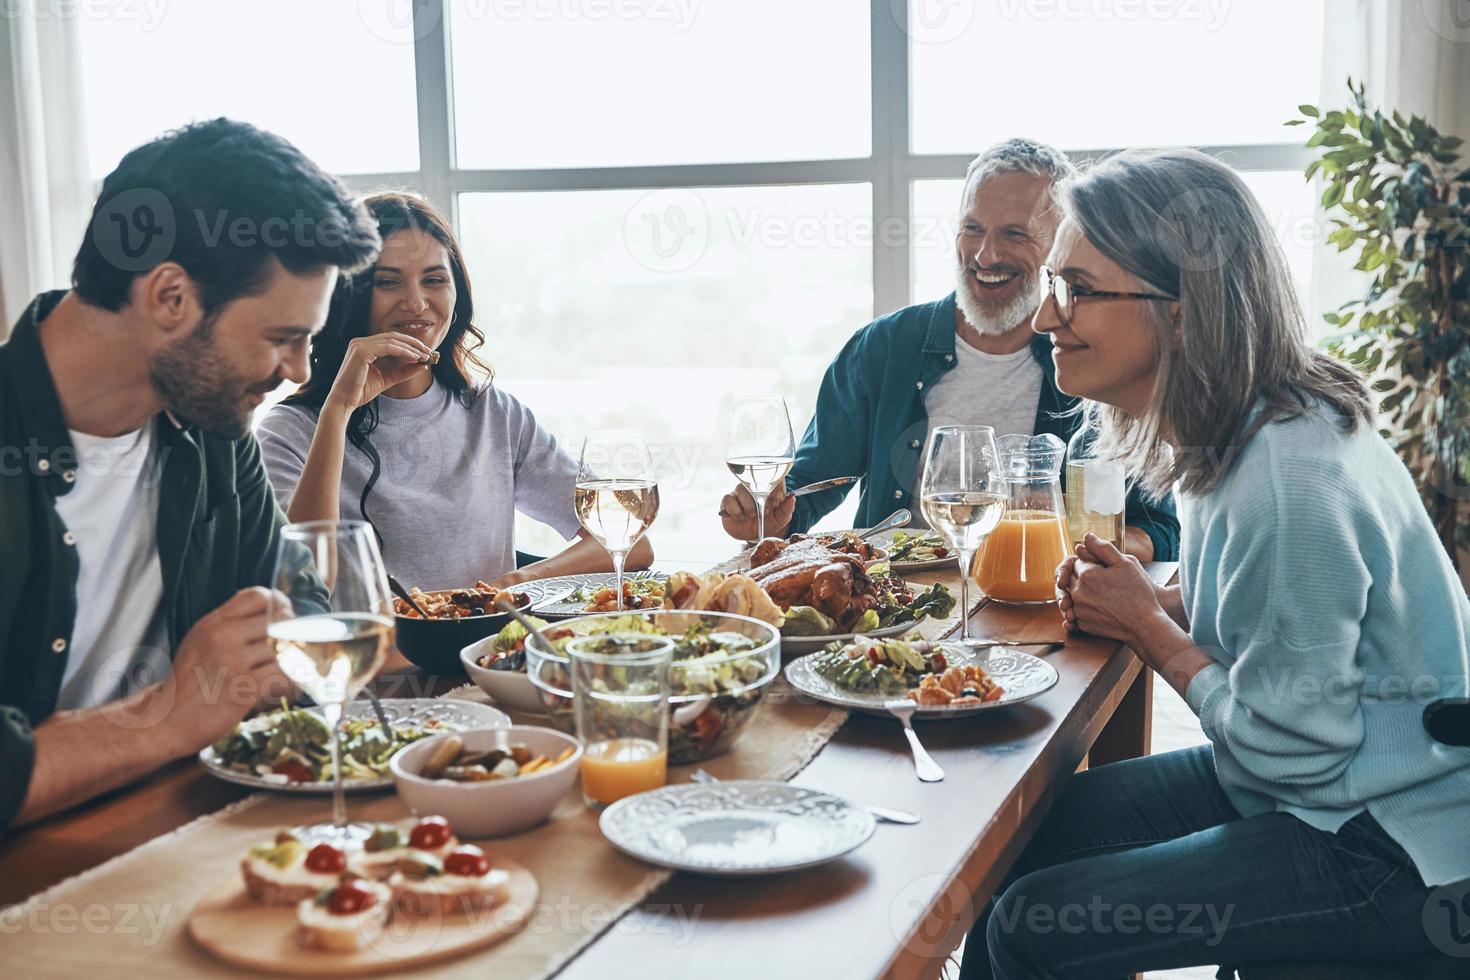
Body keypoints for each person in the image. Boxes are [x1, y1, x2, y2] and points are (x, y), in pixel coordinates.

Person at [960, 148, 1470, 978]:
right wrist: (1160, 597)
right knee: (1018, 837)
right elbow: (1268, 615)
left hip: (1390, 840)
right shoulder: (1242, 425)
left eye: (1078, 290)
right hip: (1324, 785)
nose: (1046, 318)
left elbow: (1292, 748)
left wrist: (1150, 628)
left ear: (1186, 312)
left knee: (1031, 926)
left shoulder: (1288, 477)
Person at [0, 119, 381, 833]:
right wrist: (171, 714)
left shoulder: (210, 426)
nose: (298, 372)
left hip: (179, 833)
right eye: (282, 339)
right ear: (170, 296)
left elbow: (299, 610)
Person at [719, 138, 1178, 562]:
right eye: (972, 228)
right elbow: (808, 486)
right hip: (896, 612)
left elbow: (1158, 529)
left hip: (1038, 610)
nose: (984, 255)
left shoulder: (1091, 364)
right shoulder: (882, 346)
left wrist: (1088, 543)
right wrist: (767, 512)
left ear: (1060, 244)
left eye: (1014, 234)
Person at [256, 192, 652, 591]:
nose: (416, 303)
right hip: (367, 653)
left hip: (482, 651)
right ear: (348, 295)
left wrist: (517, 581)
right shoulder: (288, 432)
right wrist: (338, 409)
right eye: (388, 282)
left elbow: (631, 543)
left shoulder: (494, 414)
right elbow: (300, 581)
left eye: (434, 280)